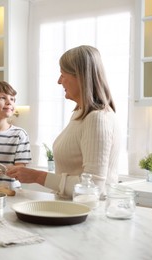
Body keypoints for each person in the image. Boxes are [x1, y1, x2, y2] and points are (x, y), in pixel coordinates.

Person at [6, 45, 121, 198]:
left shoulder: (97, 118)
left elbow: (93, 187)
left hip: (87, 215)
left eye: (63, 74)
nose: (59, 81)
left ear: (80, 77)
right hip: (73, 211)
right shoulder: (80, 114)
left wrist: (37, 176)